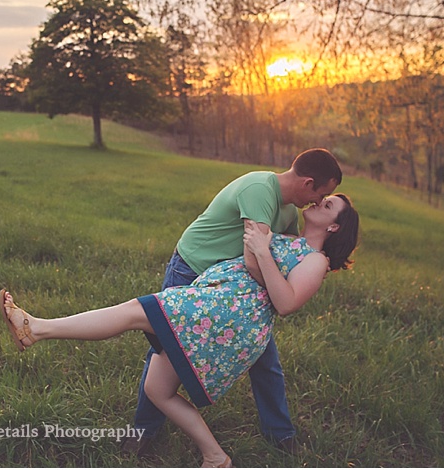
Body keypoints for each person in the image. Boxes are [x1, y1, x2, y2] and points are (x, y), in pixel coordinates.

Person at [0, 193, 359, 467]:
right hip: (215, 305)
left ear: (334, 227)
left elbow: (286, 303)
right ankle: (215, 457)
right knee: (158, 389)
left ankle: (38, 329)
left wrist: (263, 252)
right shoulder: (291, 238)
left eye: (328, 206)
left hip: (227, 317)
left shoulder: (315, 260)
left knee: (135, 311)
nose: (319, 202)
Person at [130, 148, 343, 456]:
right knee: (165, 348)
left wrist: (310, 272)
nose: (317, 202)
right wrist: (277, 294)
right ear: (308, 183)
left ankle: (280, 433)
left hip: (229, 289)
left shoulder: (288, 212)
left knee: (265, 359)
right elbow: (255, 261)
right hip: (193, 269)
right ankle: (143, 431)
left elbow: (289, 258)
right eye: (322, 194)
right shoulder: (259, 190)